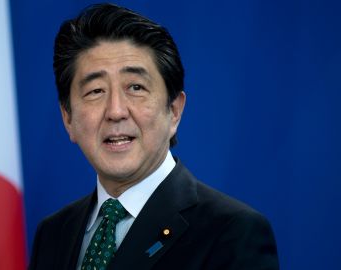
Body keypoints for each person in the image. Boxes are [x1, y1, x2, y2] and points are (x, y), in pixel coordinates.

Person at [29, 3, 279, 270]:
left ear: (174, 110)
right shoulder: (53, 234)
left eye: (135, 87)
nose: (115, 111)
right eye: (96, 91)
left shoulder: (233, 233)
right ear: (68, 118)